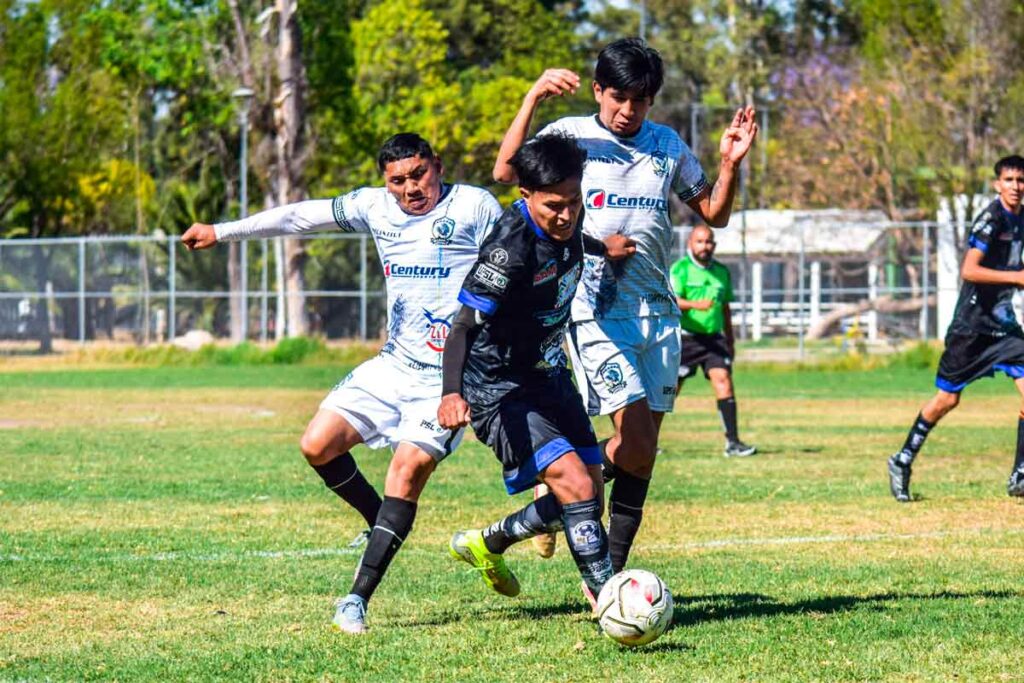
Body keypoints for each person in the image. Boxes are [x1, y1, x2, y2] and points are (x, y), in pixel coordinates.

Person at [181, 133, 502, 633]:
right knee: (316, 445)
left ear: (437, 165)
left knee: (407, 469)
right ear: (385, 182)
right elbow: (298, 216)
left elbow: (528, 247)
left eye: (419, 174)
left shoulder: (475, 206)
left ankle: (355, 600)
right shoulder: (374, 207)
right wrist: (221, 231)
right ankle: (381, 521)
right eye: (398, 180)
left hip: (449, 376)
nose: (410, 188)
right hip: (394, 363)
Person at [492, 37, 757, 570]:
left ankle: (539, 516)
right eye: (618, 97)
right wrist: (533, 99)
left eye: (640, 99)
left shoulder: (666, 145)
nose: (627, 110)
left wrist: (729, 164)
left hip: (658, 313)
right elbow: (505, 173)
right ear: (598, 90)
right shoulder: (570, 136)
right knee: (634, 435)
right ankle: (608, 582)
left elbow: (714, 213)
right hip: (593, 311)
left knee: (640, 453)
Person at [438, 134, 636, 609]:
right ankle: (607, 599)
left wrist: (600, 245)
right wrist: (451, 393)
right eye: (554, 206)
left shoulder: (570, 214)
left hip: (550, 372)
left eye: (574, 201)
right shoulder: (507, 252)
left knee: (589, 497)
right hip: (498, 386)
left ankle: (489, 542)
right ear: (526, 196)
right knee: (577, 483)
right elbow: (462, 325)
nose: (566, 215)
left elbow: (571, 236)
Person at [887, 155, 1024, 502]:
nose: (1016, 187)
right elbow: (969, 270)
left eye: (1021, 181)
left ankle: (1019, 474)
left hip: (1004, 328)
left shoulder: (1021, 219)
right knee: (947, 399)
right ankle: (902, 459)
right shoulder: (990, 220)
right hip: (972, 327)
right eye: (1009, 180)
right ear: (997, 184)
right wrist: (1016, 277)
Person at [671, 225, 756, 457]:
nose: (705, 246)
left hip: (714, 340)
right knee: (669, 392)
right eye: (700, 241)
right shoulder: (680, 270)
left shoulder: (721, 272)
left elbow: (725, 308)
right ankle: (647, 442)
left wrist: (731, 339)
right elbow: (672, 301)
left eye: (709, 242)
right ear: (690, 243)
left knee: (724, 381)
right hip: (686, 339)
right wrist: (695, 305)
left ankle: (733, 443)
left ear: (714, 245)